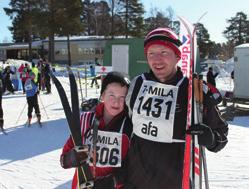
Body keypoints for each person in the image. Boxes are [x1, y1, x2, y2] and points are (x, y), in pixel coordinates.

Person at [123, 28, 228, 189]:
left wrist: (211, 138)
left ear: (177, 56)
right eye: (151, 53)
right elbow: (124, 124)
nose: (157, 59)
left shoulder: (193, 90)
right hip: (136, 180)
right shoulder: (137, 84)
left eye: (164, 52)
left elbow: (220, 134)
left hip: (176, 181)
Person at [60, 71, 132, 189]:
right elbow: (63, 160)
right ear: (102, 95)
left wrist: (111, 182)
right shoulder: (85, 121)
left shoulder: (129, 128)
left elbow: (133, 168)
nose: (116, 101)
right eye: (111, 95)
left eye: (122, 97)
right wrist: (71, 158)